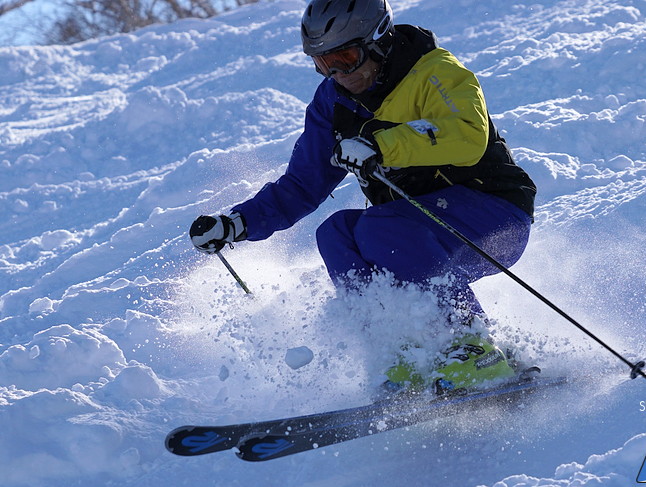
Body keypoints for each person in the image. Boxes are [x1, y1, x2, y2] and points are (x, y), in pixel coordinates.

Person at [189, 0, 536, 394]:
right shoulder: (334, 102)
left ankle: (472, 344)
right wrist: (238, 223)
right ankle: (406, 350)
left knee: (378, 226)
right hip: (413, 231)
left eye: (344, 57)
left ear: (379, 41)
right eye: (322, 63)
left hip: (494, 214)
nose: (336, 73)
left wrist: (383, 145)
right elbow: (304, 184)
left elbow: (468, 134)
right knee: (335, 233)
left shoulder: (436, 71)